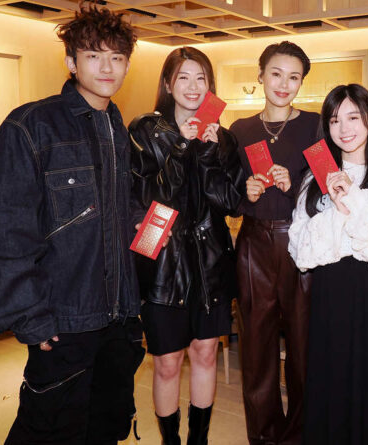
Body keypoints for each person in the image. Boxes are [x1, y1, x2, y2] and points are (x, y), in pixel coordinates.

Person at [0, 5, 146, 444]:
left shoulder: (118, 130)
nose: (107, 67)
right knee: (48, 431)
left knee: (105, 430)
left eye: (117, 57)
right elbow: (3, 234)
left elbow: (118, 219)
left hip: (117, 321)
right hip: (64, 320)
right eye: (93, 55)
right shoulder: (31, 126)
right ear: (71, 61)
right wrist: (29, 316)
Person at [128, 47, 244, 445]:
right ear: (167, 83)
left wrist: (209, 152)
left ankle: (199, 440)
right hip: (164, 262)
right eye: (183, 77)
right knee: (167, 362)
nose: (193, 87)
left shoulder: (223, 138)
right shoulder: (146, 130)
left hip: (210, 263)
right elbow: (152, 198)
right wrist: (181, 145)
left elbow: (231, 203)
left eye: (201, 79)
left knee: (206, 353)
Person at [289, 83, 368, 445]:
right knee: (332, 382)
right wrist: (336, 208)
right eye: (334, 120)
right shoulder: (314, 178)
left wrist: (352, 199)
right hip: (331, 293)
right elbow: (301, 250)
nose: (344, 128)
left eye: (353, 118)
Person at [229, 41, 318, 445]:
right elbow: (227, 195)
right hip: (254, 245)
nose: (284, 84)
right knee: (256, 348)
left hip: (301, 243)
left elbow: (330, 188)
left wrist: (295, 185)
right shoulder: (240, 130)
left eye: (294, 77)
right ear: (260, 75)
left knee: (304, 347)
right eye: (276, 74)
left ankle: (299, 434)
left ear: (302, 82)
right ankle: (264, 436)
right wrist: (244, 192)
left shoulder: (316, 125)